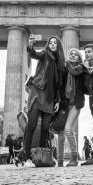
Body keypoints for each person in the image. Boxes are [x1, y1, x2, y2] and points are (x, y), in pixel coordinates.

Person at [23, 35, 65, 167]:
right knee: (32, 125)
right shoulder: (45, 54)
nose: (52, 44)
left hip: (49, 97)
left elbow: (58, 85)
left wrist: (57, 101)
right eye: (50, 42)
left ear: (58, 46)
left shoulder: (59, 63)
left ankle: (40, 157)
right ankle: (26, 159)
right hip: (37, 92)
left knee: (46, 128)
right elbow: (34, 54)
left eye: (55, 43)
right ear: (48, 45)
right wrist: (30, 45)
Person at [56, 48, 85, 167]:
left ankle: (74, 157)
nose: (73, 55)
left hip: (75, 104)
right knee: (60, 134)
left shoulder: (80, 68)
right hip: (64, 104)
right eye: (71, 54)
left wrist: (66, 62)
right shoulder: (64, 69)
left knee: (68, 129)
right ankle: (60, 161)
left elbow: (74, 72)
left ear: (79, 58)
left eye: (76, 54)